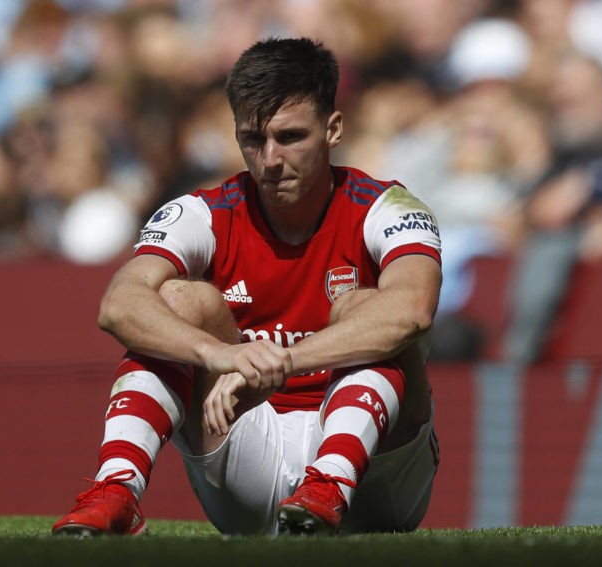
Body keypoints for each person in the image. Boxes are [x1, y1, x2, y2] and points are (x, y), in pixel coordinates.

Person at [52, 37, 442, 537]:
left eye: (291, 137)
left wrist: (282, 362)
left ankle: (330, 483)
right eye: (253, 140)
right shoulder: (201, 213)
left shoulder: (389, 209)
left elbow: (413, 310)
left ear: (334, 129)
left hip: (375, 479)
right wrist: (218, 354)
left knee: (367, 307)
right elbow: (119, 305)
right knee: (176, 300)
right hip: (250, 443)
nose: (270, 160)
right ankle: (117, 491)